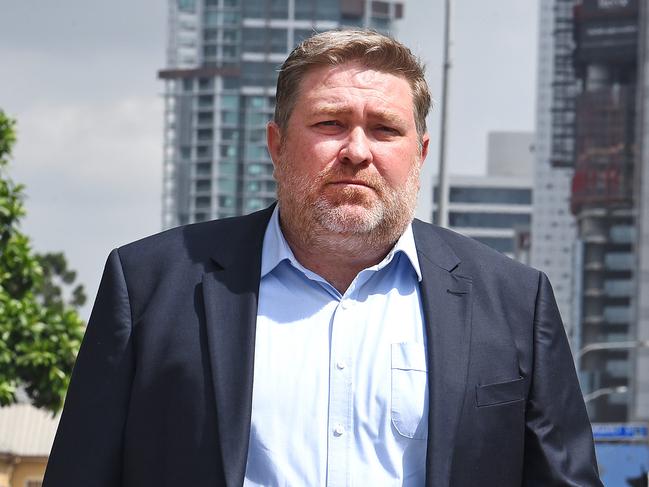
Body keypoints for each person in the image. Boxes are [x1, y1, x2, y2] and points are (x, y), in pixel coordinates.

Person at [44, 29, 602, 487]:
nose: (357, 151)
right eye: (330, 123)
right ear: (276, 143)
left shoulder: (513, 303)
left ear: (420, 154)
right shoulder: (149, 287)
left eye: (385, 129)